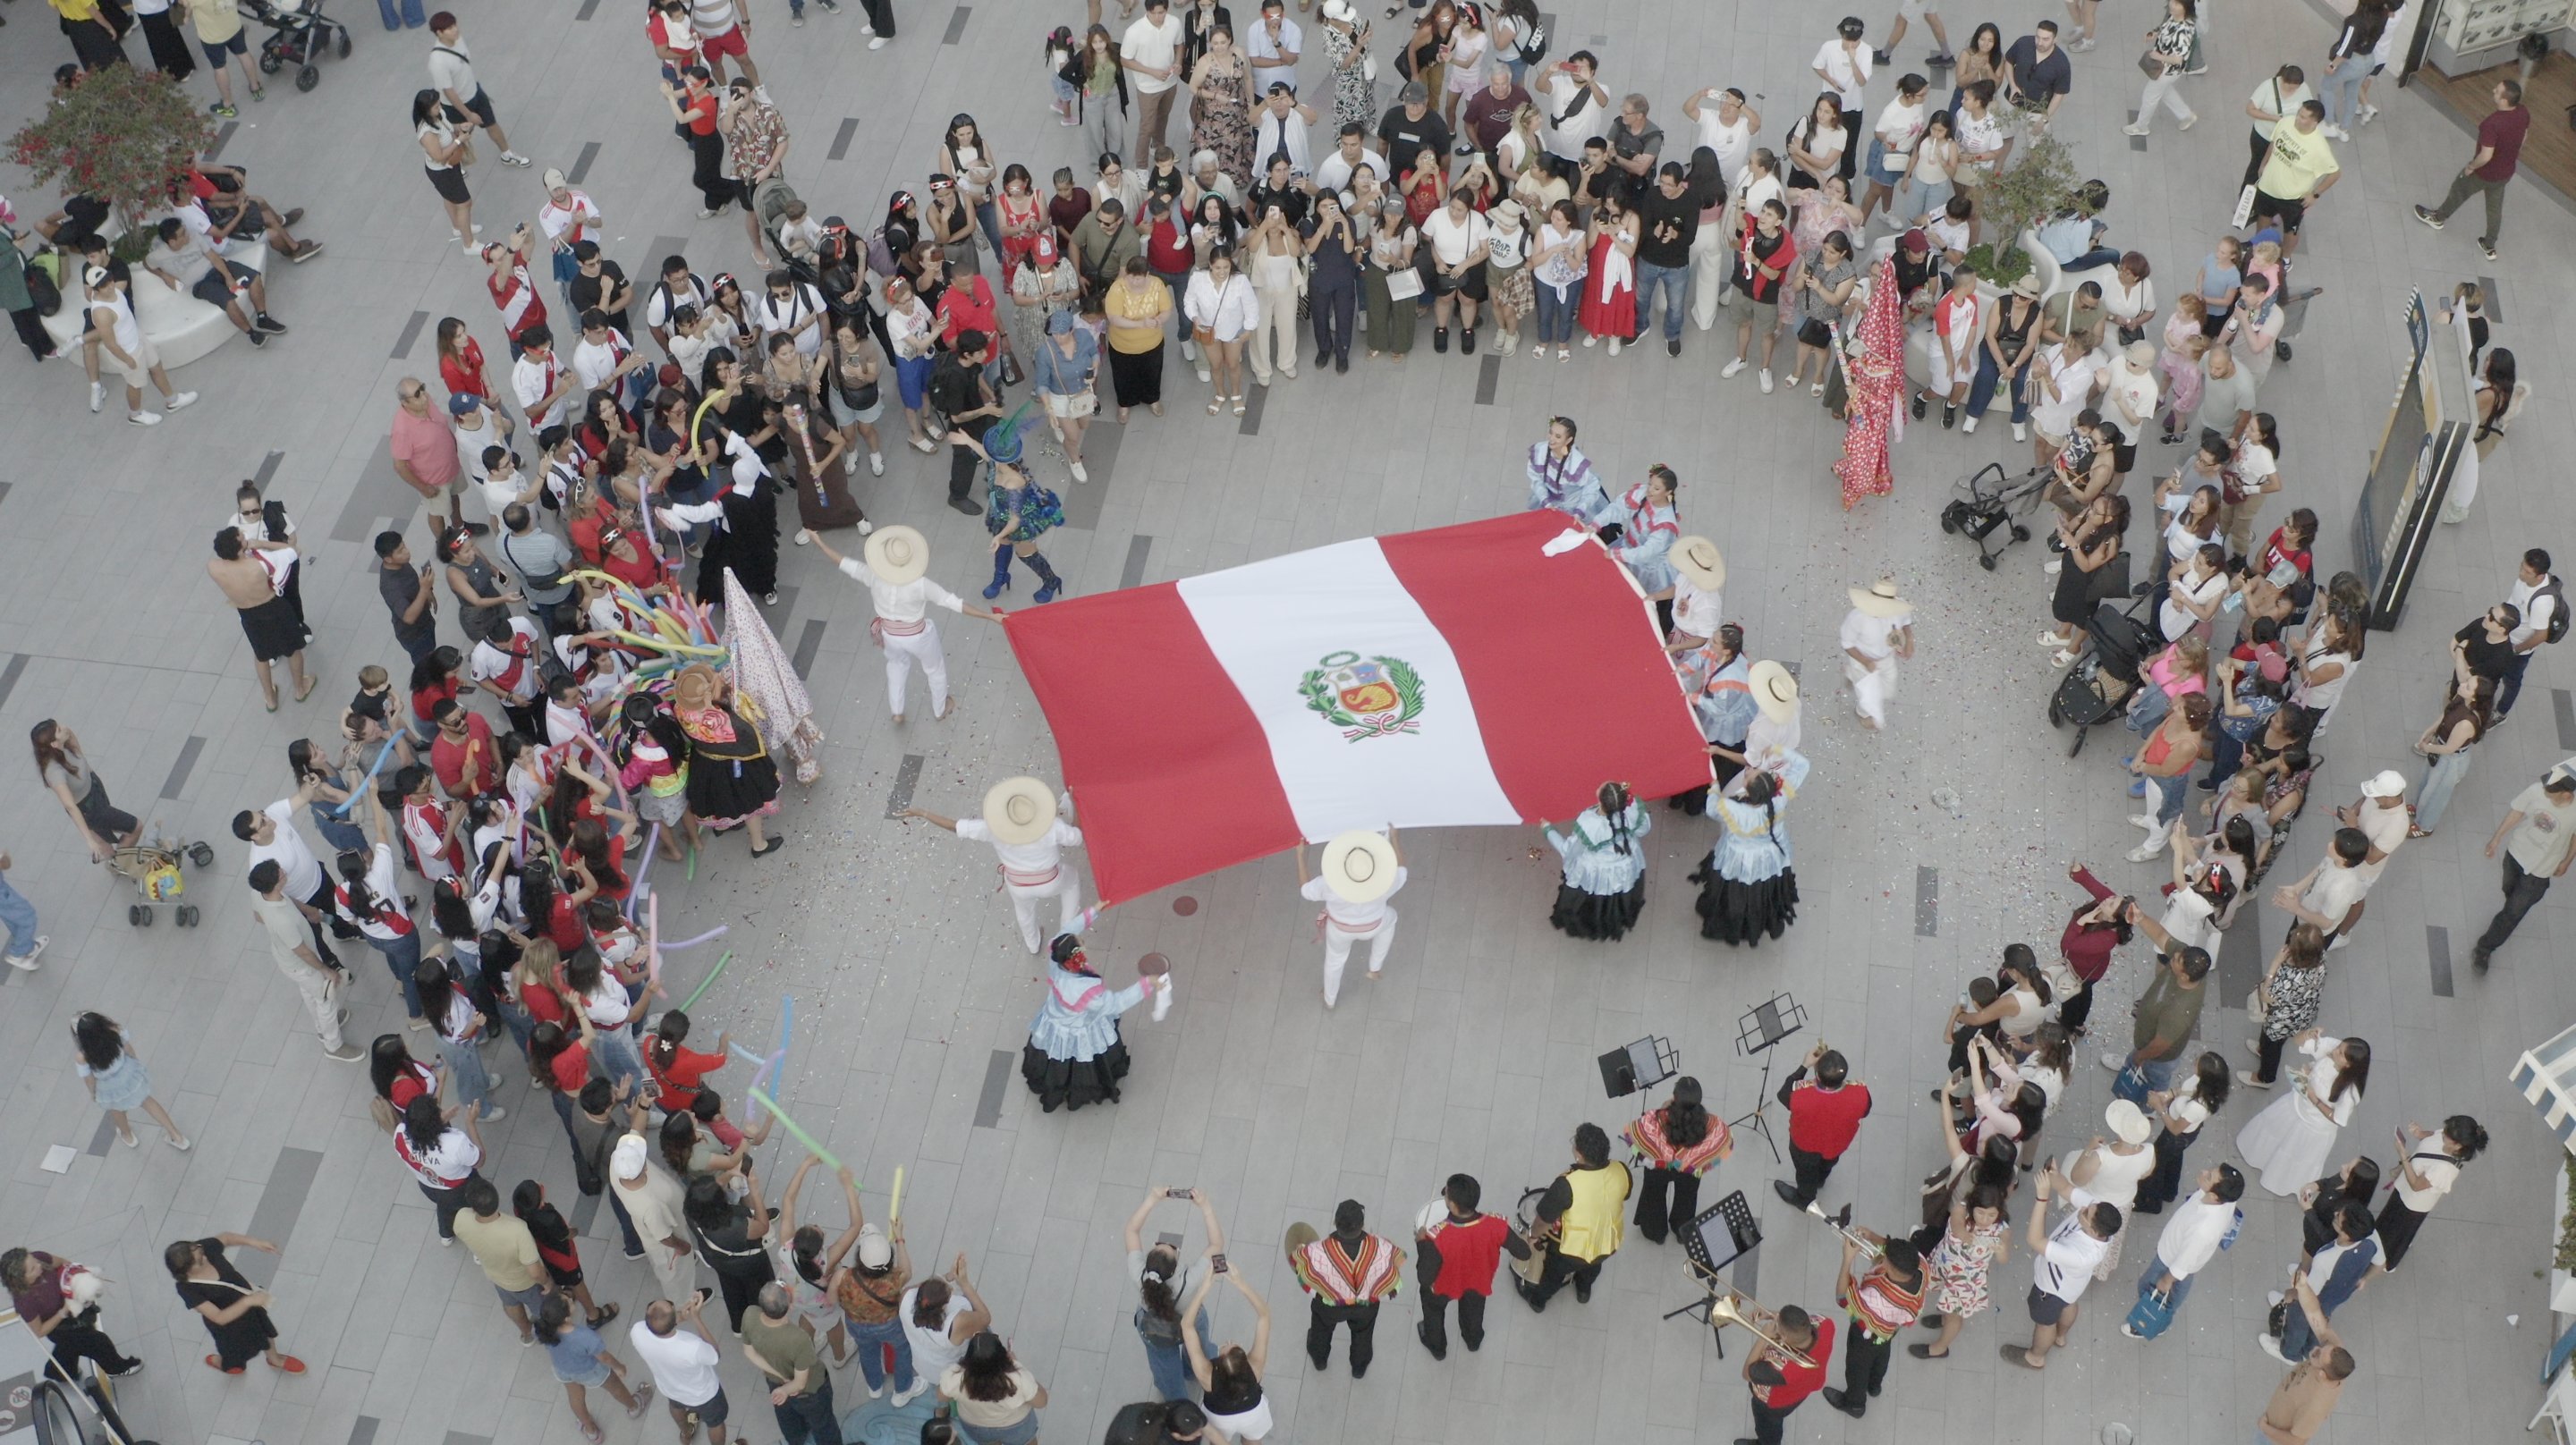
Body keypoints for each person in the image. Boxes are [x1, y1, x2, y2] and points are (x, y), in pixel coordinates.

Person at [806, 527, 998, 724]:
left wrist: (819, 542)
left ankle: (897, 711)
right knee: (935, 670)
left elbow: (844, 563)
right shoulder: (921, 584)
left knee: (896, 666)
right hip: (918, 636)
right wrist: (989, 616)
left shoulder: (873, 575)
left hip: (889, 634)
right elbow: (954, 603)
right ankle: (940, 709)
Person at [905, 778, 1085, 955]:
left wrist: (923, 813)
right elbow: (1077, 837)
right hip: (1050, 880)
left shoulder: (992, 829)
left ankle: (1033, 944)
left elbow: (956, 827)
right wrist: (1075, 803)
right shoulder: (1052, 827)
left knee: (1024, 913)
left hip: (1017, 884)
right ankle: (1066, 933)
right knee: (1072, 880)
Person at [1022, 933, 1158, 1111]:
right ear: (1075, 957)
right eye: (1081, 946)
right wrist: (1147, 983)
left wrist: (1095, 910)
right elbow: (1116, 1003)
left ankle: (1057, 1082)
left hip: (1055, 1021)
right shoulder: (1085, 991)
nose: (1084, 944)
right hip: (1079, 1028)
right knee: (1083, 1059)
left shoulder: (1056, 962)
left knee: (1058, 1059)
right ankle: (1079, 1088)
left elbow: (1069, 930)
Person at [246, 860, 360, 1060]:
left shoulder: (260, 894)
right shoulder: (282, 920)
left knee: (309, 992)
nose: (284, 872)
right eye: (280, 873)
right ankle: (333, 1046)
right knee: (326, 999)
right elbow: (303, 952)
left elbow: (258, 916)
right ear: (276, 883)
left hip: (288, 960)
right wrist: (326, 970)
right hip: (302, 965)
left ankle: (321, 1027)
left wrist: (306, 910)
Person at [2003, 1170, 2117, 1369]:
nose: (2085, 1207)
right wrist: (2052, 1174)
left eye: (2086, 1213)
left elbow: (2035, 1240)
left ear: (2093, 1230)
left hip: (2051, 1289)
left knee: (2045, 1323)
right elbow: (2065, 1188)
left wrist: (2041, 1198)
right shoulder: (2097, 1214)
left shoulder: (2081, 1254)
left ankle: (2036, 1357)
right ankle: (2061, 1337)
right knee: (2069, 1304)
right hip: (2072, 1286)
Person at [1411, 1172, 1530, 1359]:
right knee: (1474, 1312)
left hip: (1443, 1286)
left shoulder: (1436, 1238)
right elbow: (1524, 1252)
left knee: (1433, 1310)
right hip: (1479, 1280)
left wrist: (1421, 1243)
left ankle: (1438, 1348)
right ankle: (1473, 1341)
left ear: (1452, 1205)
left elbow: (1424, 1277)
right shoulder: (1495, 1224)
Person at [2236, 1031, 2370, 1195]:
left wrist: (2315, 1100)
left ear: (2349, 1065)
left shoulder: (2350, 1092)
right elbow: (2299, 1042)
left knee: (2293, 1152)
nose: (2336, 1051)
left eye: (2341, 1053)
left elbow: (2338, 1119)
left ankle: (2279, 1181)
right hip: (2294, 1104)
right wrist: (2307, 1035)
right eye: (2340, 1047)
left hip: (2313, 1127)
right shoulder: (2334, 1047)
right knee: (2274, 1129)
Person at [2470, 766, 2576, 969]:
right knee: (2508, 890)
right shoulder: (2536, 790)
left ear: (2566, 794)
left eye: (2551, 789)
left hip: (2539, 872)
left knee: (2512, 913)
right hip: (2515, 855)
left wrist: (2567, 861)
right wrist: (2497, 838)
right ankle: (2512, 907)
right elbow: (2517, 812)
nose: (2545, 790)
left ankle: (2485, 949)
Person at [1514, 1123, 1628, 1311]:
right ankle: (1584, 1290)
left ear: (1579, 1155)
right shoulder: (1621, 1170)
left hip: (1572, 1250)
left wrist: (1533, 1236)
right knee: (1593, 1266)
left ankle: (1538, 1301)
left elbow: (1543, 1219)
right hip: (1608, 1241)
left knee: (1553, 1274)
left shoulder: (1566, 1185)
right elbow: (1623, 1194)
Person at [2121, 1162, 2243, 1338]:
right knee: (2170, 1296)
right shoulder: (2226, 1199)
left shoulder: (2203, 1229)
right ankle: (2161, 1318)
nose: (2203, 1171)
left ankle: (2146, 1324)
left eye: (2208, 1177)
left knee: (2149, 1290)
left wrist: (2166, 1280)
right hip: (2177, 1253)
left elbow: (2184, 1261)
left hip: (2169, 1261)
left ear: (2215, 1196)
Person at [2412, 79, 2528, 262]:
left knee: (2459, 189)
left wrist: (2471, 167)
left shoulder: (2492, 123)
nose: (2493, 91)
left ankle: (2437, 218)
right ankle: (2489, 245)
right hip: (2505, 173)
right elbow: (2524, 135)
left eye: (2497, 91)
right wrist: (2512, 154)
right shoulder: (2522, 112)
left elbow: (2486, 155)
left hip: (2484, 173)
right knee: (2494, 209)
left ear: (2504, 101)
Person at [165, 1233, 305, 1376]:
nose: (206, 1257)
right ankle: (223, 1362)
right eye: (200, 1261)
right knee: (233, 1350)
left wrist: (255, 1242)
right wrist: (248, 1301)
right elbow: (219, 1317)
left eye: (200, 1252)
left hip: (251, 1308)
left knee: (265, 1330)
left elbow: (226, 1238)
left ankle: (274, 1358)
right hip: (229, 1326)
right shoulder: (187, 1288)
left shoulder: (201, 1249)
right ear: (187, 1270)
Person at [1295, 828, 1405, 1006]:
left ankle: (1329, 999)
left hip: (1340, 930)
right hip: (1374, 925)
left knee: (1334, 961)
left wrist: (1300, 856)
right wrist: (1394, 838)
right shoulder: (1386, 881)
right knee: (1391, 918)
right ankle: (1374, 968)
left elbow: (1306, 889)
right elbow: (1402, 869)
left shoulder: (1331, 884)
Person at [2100, 925, 2208, 1103]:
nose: (2173, 957)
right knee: (2138, 1061)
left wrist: (2140, 1057)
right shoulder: (2188, 963)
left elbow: (2160, 1045)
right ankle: (2130, 1066)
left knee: (2155, 1082)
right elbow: (2160, 935)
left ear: (2184, 977)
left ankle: (2150, 1107)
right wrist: (2140, 918)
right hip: (2147, 1044)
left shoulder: (2179, 1012)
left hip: (2159, 1058)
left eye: (2176, 961)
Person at [1819, 1232, 1922, 1419]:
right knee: (1882, 1355)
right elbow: (1891, 1248)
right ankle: (1874, 1385)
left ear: (1888, 1267)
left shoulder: (1875, 1299)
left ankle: (1855, 1405)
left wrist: (1847, 1260)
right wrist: (1870, 1235)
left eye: (1885, 1260)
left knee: (1856, 1369)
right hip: (1889, 1330)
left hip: (1865, 1335)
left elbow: (1842, 1298)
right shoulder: (1921, 1266)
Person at [4, 1246, 145, 1381]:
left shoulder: (39, 1257)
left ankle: (59, 1372)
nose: (39, 1265)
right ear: (21, 1279)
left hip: (73, 1307)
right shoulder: (25, 1302)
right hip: (60, 1327)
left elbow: (64, 1264)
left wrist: (78, 1278)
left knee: (69, 1349)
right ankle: (116, 1368)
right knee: (98, 1342)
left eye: (34, 1261)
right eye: (33, 1268)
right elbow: (39, 1331)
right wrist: (64, 1310)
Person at [1624, 1077, 1732, 1245]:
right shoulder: (1709, 1123)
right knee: (1687, 1197)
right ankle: (1682, 1230)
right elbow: (1724, 1137)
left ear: (1675, 1098)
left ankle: (1655, 1232)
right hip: (1690, 1169)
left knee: (1653, 1194)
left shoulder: (1657, 1119)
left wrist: (1663, 1108)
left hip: (1659, 1168)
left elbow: (1635, 1132)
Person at [1539, 781, 1649, 940]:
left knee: (1589, 898)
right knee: (1618, 895)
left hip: (1596, 871)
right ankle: (1615, 917)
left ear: (1600, 800)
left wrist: (1548, 830)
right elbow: (1643, 829)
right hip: (1626, 864)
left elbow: (1569, 851)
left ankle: (1591, 923)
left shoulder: (1589, 823)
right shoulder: (1632, 810)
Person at [1911, 1184, 2008, 1360]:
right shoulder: (1961, 1209)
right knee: (1945, 1304)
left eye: (1992, 1215)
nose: (1985, 1220)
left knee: (1954, 1316)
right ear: (1972, 1206)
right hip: (1945, 1264)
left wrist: (2001, 1251)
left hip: (1965, 1282)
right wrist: (1963, 1233)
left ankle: (1939, 1348)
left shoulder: (2002, 1230)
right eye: (1981, 1213)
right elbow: (1956, 1224)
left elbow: (2004, 1258)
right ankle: (1943, 1319)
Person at [2377, 1114, 2486, 1270]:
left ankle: (2389, 1262)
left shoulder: (2444, 1170)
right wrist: (2419, 1133)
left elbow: (2415, 1184)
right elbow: (2432, 1135)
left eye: (2446, 1134)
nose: (2442, 1133)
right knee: (2389, 1219)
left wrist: (2403, 1156)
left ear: (2457, 1146)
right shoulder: (2446, 1135)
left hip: (2412, 1205)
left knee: (2397, 1235)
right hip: (2403, 1191)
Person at [453, 1177, 552, 1344]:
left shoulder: (462, 1218)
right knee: (545, 1310)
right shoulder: (517, 1229)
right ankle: (552, 1335)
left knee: (511, 1305)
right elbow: (535, 1272)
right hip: (525, 1283)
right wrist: (547, 1283)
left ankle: (527, 1333)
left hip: (497, 1277)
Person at [73, 1011, 191, 1151]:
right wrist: (135, 1064)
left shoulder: (83, 1056)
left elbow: (89, 1079)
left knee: (117, 1110)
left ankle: (128, 1136)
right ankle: (176, 1136)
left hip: (108, 1085)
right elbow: (129, 1049)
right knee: (147, 1101)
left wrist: (93, 1093)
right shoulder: (115, 1031)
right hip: (127, 1072)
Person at [742, 1281, 842, 1445]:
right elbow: (800, 1383)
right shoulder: (798, 1339)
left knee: (788, 1420)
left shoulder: (750, 1314)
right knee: (823, 1425)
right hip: (810, 1391)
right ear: (789, 1308)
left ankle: (796, 1441)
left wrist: (780, 1379)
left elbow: (749, 1352)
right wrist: (786, 1388)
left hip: (774, 1382)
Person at [2258, 1273, 2354, 1443]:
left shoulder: (2315, 1407)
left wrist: (2265, 1428)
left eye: (2318, 1355)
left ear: (2323, 1375)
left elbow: (2297, 1441)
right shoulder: (2334, 1354)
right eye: (2323, 1347)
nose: (2317, 1348)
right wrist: (2303, 1287)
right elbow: (2315, 1315)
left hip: (2273, 1436)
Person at [427, 13, 530, 167]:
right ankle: (455, 164)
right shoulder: (438, 61)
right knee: (459, 136)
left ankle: (507, 154)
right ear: (439, 33)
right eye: (449, 28)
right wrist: (468, 114)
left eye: (454, 25)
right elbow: (449, 92)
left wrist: (476, 91)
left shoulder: (457, 39)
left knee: (492, 124)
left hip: (475, 93)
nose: (455, 29)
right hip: (454, 106)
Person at [631, 1294, 733, 1445]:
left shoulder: (637, 1332)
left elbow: (658, 1325)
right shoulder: (691, 1346)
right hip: (704, 1395)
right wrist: (696, 1317)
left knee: (676, 1407)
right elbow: (714, 1355)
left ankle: (686, 1434)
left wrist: (679, 1318)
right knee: (715, 1423)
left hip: (670, 1388)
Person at [32, 721, 140, 862]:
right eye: (59, 729)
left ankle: (111, 855)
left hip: (94, 790)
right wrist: (89, 840)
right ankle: (119, 861)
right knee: (136, 827)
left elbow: (76, 747)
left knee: (102, 839)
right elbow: (70, 806)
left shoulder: (64, 743)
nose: (64, 727)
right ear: (53, 744)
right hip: (89, 808)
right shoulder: (54, 772)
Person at [2251, 101, 2339, 256]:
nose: (2298, 118)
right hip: (2268, 186)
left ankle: (2285, 257)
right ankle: (2258, 249)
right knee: (2263, 217)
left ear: (2314, 122)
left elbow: (2335, 173)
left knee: (2290, 229)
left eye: (2304, 117)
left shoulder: (2319, 147)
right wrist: (2263, 164)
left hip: (2293, 197)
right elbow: (2274, 142)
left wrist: (2315, 194)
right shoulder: (2286, 122)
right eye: (2299, 113)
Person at [1739, 1303, 1831, 1445]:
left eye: (1777, 1326)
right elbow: (1798, 1325)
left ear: (1784, 1337)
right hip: (1808, 1385)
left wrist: (1763, 1336)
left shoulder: (1781, 1368)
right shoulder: (1825, 1324)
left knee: (1768, 1429)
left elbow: (1746, 1373)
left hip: (1773, 1404)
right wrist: (1771, 1314)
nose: (1774, 1323)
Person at [1838, 577, 1914, 731]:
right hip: (1863, 661)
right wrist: (1866, 662)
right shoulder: (1857, 618)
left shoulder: (1897, 609)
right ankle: (1863, 713)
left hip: (1887, 658)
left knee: (1888, 689)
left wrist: (1910, 641)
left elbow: (1906, 621)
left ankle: (1851, 675)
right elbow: (1847, 644)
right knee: (1868, 695)